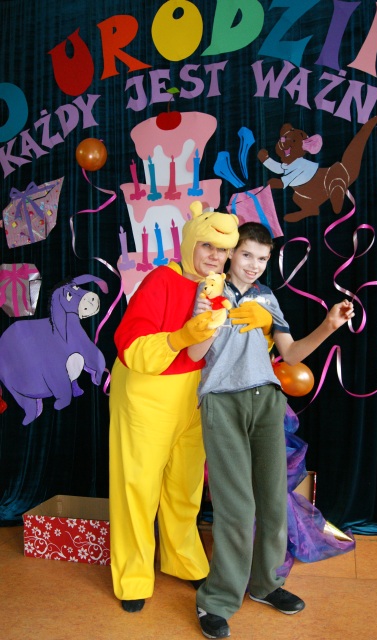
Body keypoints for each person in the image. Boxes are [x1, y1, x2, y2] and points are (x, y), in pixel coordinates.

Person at [188, 222, 355, 638]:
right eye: (247, 255)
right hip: (222, 400)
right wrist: (212, 315)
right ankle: (216, 601)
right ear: (231, 253)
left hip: (266, 400)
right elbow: (194, 353)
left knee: (273, 501)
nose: (254, 265)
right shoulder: (208, 289)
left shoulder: (267, 297)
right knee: (237, 508)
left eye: (262, 259)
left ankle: (265, 585)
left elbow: (292, 353)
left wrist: (329, 325)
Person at [108, 201, 272, 614]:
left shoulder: (221, 291)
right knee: (137, 487)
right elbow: (129, 343)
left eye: (223, 250)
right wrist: (180, 337)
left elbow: (234, 350)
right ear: (190, 244)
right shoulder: (161, 279)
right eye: (207, 246)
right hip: (147, 395)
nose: (215, 256)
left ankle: (182, 558)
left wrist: (265, 326)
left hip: (196, 397)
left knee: (185, 486)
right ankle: (133, 576)